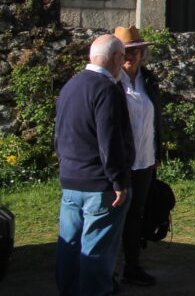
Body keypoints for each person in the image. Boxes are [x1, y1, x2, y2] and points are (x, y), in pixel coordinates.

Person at [55, 34, 134, 296]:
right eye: (123, 56)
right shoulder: (107, 89)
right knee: (96, 253)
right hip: (100, 186)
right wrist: (118, 181)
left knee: (69, 247)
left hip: (71, 180)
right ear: (115, 57)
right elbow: (109, 140)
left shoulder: (71, 86)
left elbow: (58, 135)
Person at [113, 26, 163, 288]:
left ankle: (132, 265)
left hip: (144, 159)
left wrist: (157, 151)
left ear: (143, 53)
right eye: (125, 52)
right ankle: (107, 269)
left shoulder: (149, 80)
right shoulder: (111, 81)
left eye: (135, 51)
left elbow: (156, 117)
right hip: (119, 161)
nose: (131, 57)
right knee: (113, 215)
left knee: (136, 215)